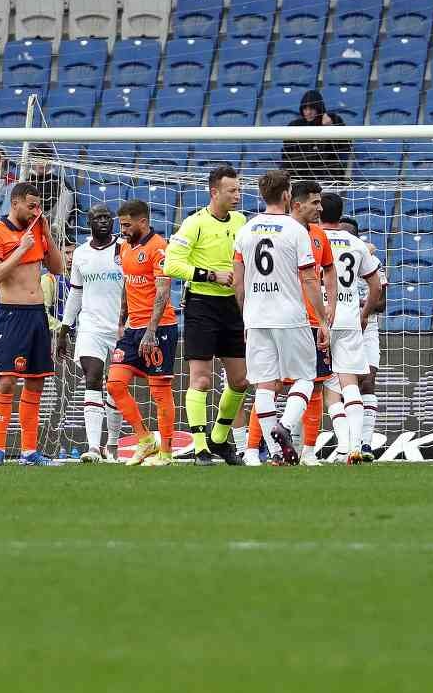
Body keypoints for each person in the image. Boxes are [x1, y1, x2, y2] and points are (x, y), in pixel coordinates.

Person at [232, 170, 331, 467]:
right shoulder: (295, 230)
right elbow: (311, 279)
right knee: (305, 378)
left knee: (263, 384)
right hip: (290, 316)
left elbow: (238, 281)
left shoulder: (245, 230)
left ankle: (276, 454)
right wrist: (323, 320)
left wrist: (246, 317)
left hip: (256, 317)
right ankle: (285, 428)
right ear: (287, 195)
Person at [158, 165, 250, 466]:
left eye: (238, 189)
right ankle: (200, 448)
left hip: (233, 307)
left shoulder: (241, 221)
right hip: (201, 305)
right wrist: (210, 275)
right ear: (214, 192)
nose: (238, 195)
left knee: (240, 380)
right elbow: (171, 265)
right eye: (231, 190)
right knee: (201, 380)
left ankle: (220, 439)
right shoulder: (193, 224)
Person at [0, 181, 67, 465]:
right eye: (31, 205)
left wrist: (46, 233)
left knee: (36, 382)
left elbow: (57, 268)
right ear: (15, 203)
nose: (35, 210)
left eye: (38, 205)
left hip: (37, 315)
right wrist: (21, 248)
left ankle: (29, 451)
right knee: (6, 382)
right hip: (12, 315)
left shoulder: (37, 229)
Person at [111, 199, 180, 467]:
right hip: (133, 329)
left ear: (143, 221)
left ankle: (166, 453)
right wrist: (122, 321)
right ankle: (145, 439)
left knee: (160, 391)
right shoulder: (125, 247)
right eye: (122, 225)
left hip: (159, 327)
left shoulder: (159, 248)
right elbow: (127, 286)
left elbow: (163, 292)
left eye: (127, 225)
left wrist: (151, 331)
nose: (123, 230)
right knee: (115, 384)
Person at [319, 192, 384, 465]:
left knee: (326, 385)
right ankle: (355, 445)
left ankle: (343, 445)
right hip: (348, 319)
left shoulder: (312, 239)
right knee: (351, 383)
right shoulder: (357, 244)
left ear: (319, 211)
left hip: (319, 318)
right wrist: (364, 314)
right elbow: (377, 286)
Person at [62, 205, 125, 463]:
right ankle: (93, 447)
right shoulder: (80, 254)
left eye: (107, 217)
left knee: (116, 387)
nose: (103, 221)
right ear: (89, 222)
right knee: (93, 378)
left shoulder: (124, 249)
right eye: (97, 217)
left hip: (121, 328)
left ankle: (112, 444)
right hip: (90, 327)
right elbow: (76, 293)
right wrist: (65, 327)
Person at [349, 217, 387, 460]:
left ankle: (365, 445)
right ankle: (346, 442)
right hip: (335, 326)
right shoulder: (324, 260)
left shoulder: (373, 262)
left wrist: (360, 306)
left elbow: (382, 302)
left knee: (368, 380)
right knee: (333, 385)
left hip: (368, 326)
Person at [282, 89, 349, 184]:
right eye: (305, 109)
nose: (308, 112)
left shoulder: (334, 120)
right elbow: (287, 155)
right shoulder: (295, 126)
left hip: (327, 176)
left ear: (319, 108)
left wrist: (331, 128)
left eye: (311, 109)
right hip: (301, 176)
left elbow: (345, 147)